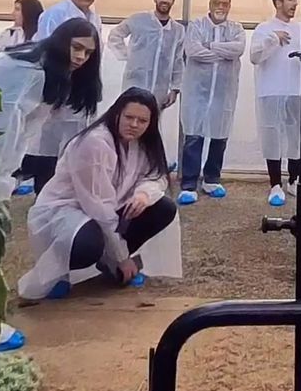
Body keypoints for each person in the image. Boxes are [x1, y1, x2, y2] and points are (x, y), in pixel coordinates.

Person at [15, 88, 182, 302]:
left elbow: (156, 176)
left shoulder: (141, 143)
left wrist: (143, 195)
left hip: (105, 210)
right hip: (66, 211)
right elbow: (98, 205)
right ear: (117, 114)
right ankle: (57, 271)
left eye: (142, 121)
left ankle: (109, 261)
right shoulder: (95, 142)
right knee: (88, 245)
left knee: (163, 208)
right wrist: (121, 257)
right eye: (129, 117)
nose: (134, 125)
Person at [0, 18, 103, 200]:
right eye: (76, 47)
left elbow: (23, 129)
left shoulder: (53, 71)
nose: (81, 57)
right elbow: (1, 125)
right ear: (61, 42)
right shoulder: (24, 68)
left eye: (88, 53)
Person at [178, 0, 245, 205]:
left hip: (223, 93)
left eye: (225, 3)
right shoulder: (197, 26)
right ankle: (189, 183)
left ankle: (212, 179)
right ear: (210, 4)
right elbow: (193, 50)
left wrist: (211, 46)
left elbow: (238, 49)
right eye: (217, 3)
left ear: (230, 5)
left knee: (219, 135)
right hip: (197, 92)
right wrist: (222, 54)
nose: (221, 7)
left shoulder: (236, 29)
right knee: (194, 135)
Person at [35, 0, 104, 176]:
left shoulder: (95, 17)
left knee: (76, 144)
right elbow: (46, 51)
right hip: (57, 86)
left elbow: (94, 55)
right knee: (49, 143)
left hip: (81, 87)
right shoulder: (55, 14)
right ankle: (44, 192)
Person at [251, 0, 301, 207]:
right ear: (278, 2)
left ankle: (294, 180)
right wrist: (273, 38)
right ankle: (275, 184)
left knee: (296, 136)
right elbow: (254, 56)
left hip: (296, 90)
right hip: (271, 90)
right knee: (272, 135)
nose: (294, 4)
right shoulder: (264, 28)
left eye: (295, 0)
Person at [107, 0, 184, 106]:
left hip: (160, 90)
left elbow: (177, 61)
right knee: (131, 117)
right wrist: (127, 55)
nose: (165, 0)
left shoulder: (177, 30)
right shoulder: (139, 20)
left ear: (173, 1)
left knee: (153, 120)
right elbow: (115, 36)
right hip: (135, 83)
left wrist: (175, 89)